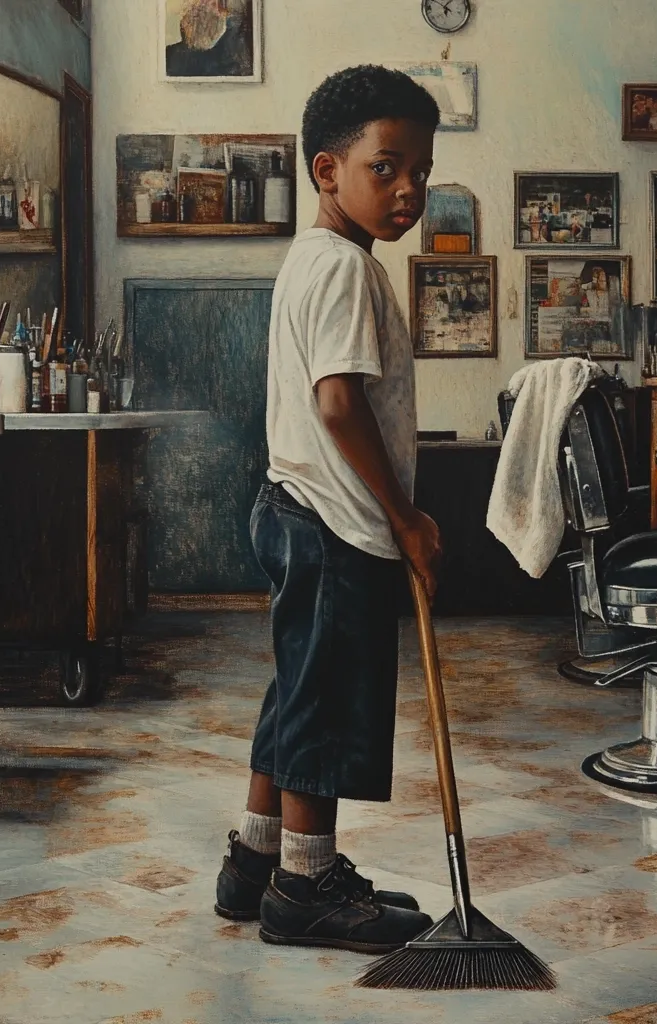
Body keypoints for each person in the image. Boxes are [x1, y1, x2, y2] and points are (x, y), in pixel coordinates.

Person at [213, 65, 442, 954]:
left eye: (420, 170)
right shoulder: (344, 269)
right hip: (335, 520)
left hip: (292, 505)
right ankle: (305, 885)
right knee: (323, 703)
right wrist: (407, 518)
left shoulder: (310, 259)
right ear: (325, 171)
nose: (408, 189)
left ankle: (254, 861)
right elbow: (339, 402)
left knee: (296, 690)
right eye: (385, 169)